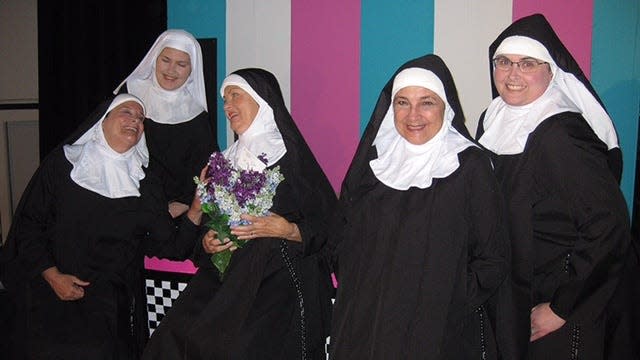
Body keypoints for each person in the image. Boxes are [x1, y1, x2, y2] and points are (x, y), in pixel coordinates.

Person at [142, 68, 337, 360]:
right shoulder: (224, 161)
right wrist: (207, 243)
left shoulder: (290, 156)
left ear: (262, 101)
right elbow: (208, 228)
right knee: (170, 340)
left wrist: (288, 230)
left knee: (240, 348)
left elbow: (330, 226)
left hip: (280, 277)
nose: (227, 106)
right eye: (224, 100)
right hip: (228, 280)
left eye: (235, 96)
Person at [328, 54, 508, 359]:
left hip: (437, 329)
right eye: (402, 102)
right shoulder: (374, 162)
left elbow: (492, 256)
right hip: (367, 323)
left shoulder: (469, 166)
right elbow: (343, 233)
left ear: (445, 107)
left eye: (427, 102)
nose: (413, 115)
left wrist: (449, 296)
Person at [476, 13, 633, 360]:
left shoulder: (560, 134)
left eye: (527, 64)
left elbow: (609, 224)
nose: (512, 74)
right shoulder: (492, 118)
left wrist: (564, 306)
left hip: (557, 297)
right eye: (503, 62)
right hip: (516, 289)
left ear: (550, 71)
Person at [0, 94, 204, 359]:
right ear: (102, 121)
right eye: (126, 113)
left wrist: (196, 207)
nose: (135, 121)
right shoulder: (63, 166)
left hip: (107, 310)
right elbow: (29, 226)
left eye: (140, 118)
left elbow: (171, 247)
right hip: (48, 297)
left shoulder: (145, 181)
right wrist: (52, 275)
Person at [114, 29, 216, 218]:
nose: (171, 70)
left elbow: (207, 166)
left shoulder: (196, 113)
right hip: (126, 199)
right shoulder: (131, 94)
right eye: (166, 60)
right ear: (154, 59)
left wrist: (185, 202)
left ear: (191, 69)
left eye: (181, 64)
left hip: (176, 211)